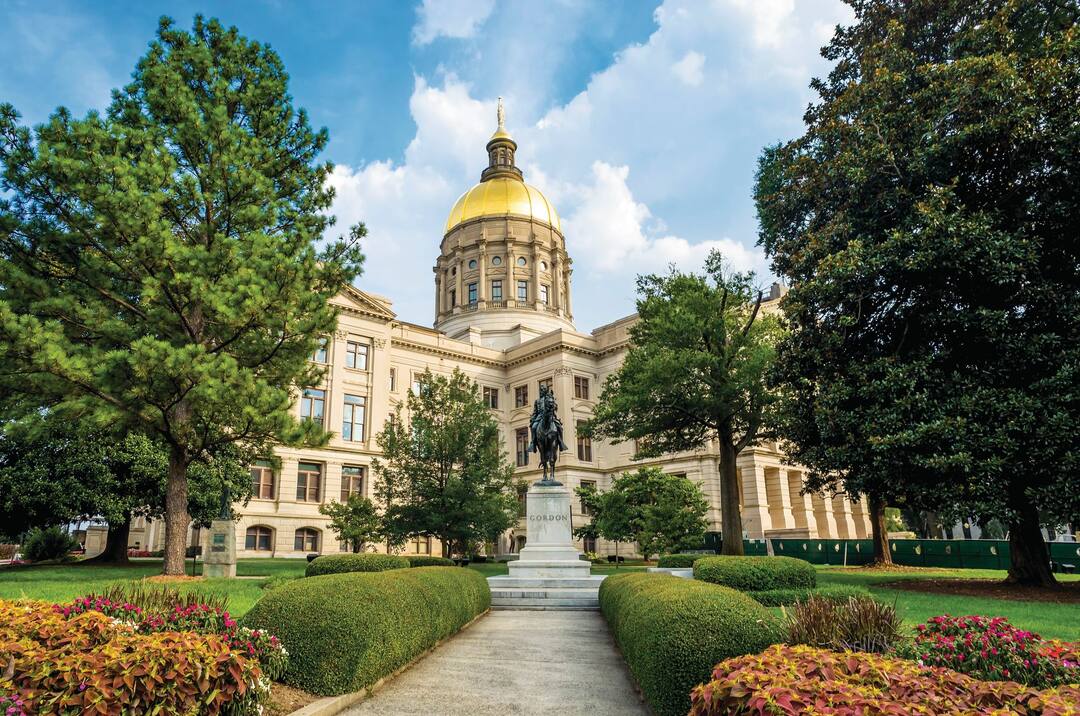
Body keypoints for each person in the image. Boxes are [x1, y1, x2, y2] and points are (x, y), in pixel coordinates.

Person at [528, 382, 568, 453]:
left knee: (559, 427)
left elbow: (555, 406)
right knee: (534, 427)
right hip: (539, 417)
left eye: (543, 390)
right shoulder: (537, 401)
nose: (541, 391)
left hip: (550, 417)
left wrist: (553, 408)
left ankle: (561, 443)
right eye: (540, 390)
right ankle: (533, 444)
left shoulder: (549, 398)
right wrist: (533, 419)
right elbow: (535, 412)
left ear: (545, 390)